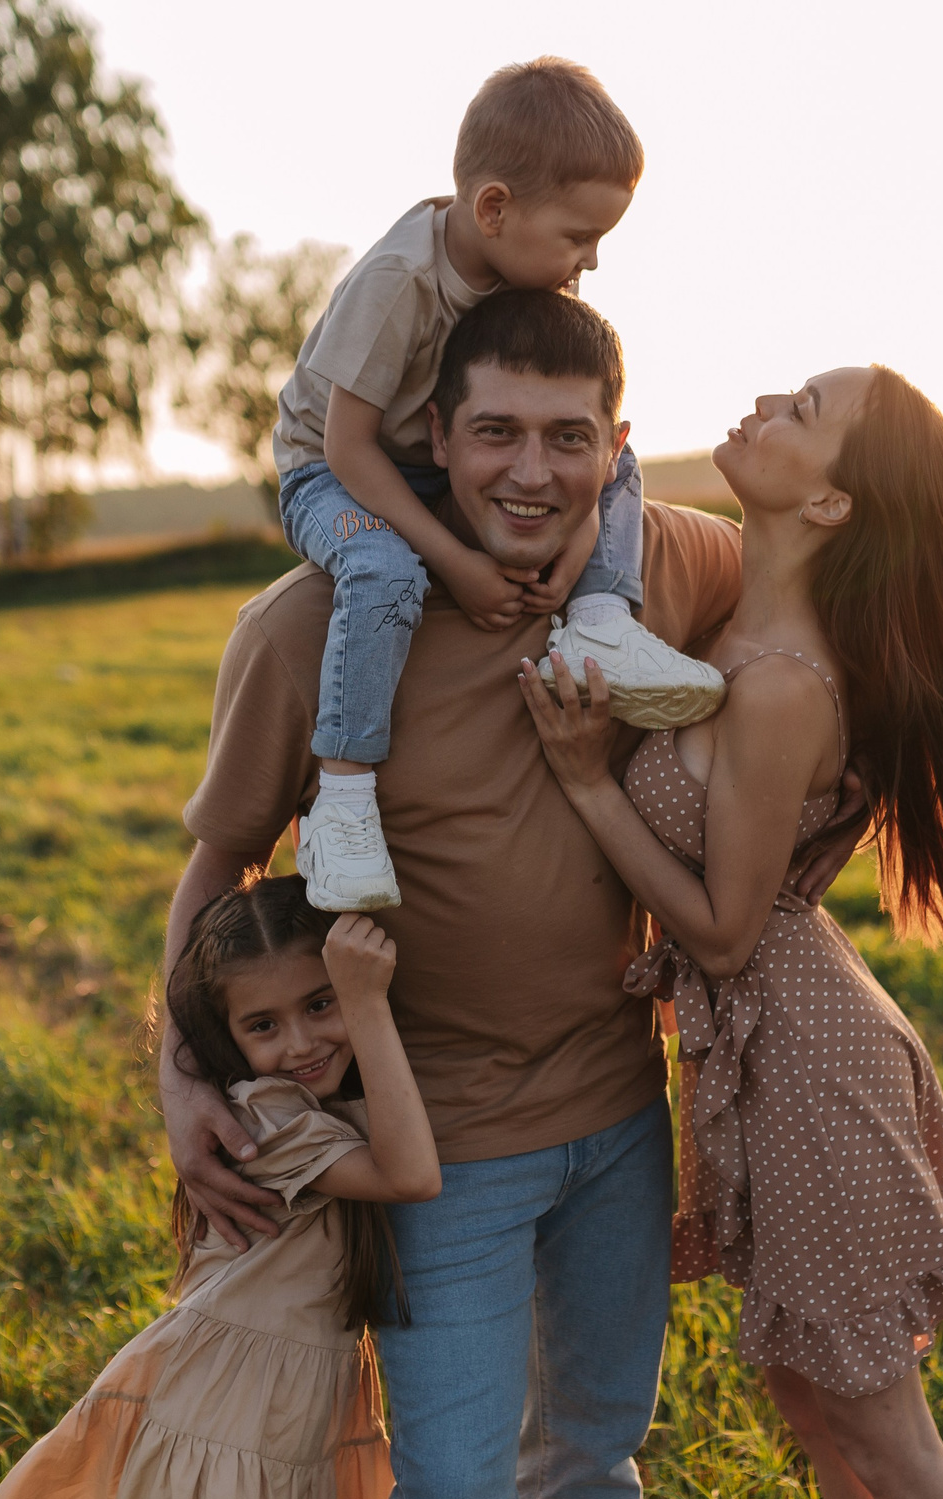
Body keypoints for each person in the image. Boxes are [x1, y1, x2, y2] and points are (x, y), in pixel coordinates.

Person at [162, 289, 863, 1499]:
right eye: (495, 432)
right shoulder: (312, 629)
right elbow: (219, 863)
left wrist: (837, 814)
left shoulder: (671, 565)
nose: (531, 472)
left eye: (566, 437)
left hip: (619, 1117)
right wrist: (179, 1079)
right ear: (434, 434)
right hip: (441, 1150)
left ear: (618, 445)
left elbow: (837, 616)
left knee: (593, 1460)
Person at [519, 364, 943, 1499]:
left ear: (828, 502)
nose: (766, 400)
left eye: (804, 411)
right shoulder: (736, 630)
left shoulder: (777, 682)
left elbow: (718, 929)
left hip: (809, 1065)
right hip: (770, 1052)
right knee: (823, 1414)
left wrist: (588, 780)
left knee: (886, 1430)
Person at [0, 884, 437, 1499]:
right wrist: (363, 1003)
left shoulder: (320, 1101)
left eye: (319, 1003)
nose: (301, 1042)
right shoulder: (269, 1116)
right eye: (263, 1025)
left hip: (280, 1412)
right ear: (222, 1036)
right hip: (233, 1415)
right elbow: (411, 1172)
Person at [271, 56, 723, 912]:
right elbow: (348, 447)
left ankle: (599, 623)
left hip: (422, 456)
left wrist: (576, 555)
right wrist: (455, 562)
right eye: (578, 237)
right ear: (494, 210)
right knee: (384, 573)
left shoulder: (508, 267)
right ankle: (344, 801)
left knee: (612, 456)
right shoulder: (399, 282)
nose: (590, 260)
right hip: (326, 472)